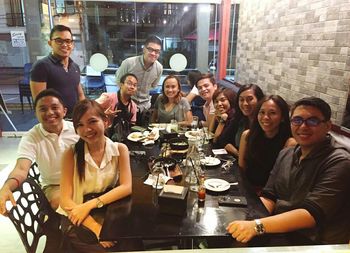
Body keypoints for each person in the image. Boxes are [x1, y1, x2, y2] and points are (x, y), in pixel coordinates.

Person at [227, 97, 350, 244]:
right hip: (280, 231)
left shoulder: (339, 161)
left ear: (328, 126)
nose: (303, 126)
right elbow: (269, 195)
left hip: (314, 242)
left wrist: (257, 226)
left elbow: (312, 214)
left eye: (312, 121)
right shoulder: (286, 153)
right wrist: (248, 217)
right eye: (297, 120)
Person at [58, 99, 132, 251]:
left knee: (133, 242)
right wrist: (97, 228)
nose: (87, 130)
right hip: (77, 217)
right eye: (80, 125)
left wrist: (92, 204)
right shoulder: (71, 154)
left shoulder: (120, 149)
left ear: (105, 122)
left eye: (92, 121)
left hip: (105, 210)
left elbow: (126, 186)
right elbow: (65, 200)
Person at [0, 89, 79, 214]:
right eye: (43, 109)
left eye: (54, 107)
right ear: (36, 113)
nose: (49, 112)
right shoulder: (31, 137)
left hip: (83, 180)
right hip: (55, 186)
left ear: (64, 111)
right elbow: (21, 168)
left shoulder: (77, 129)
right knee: (63, 202)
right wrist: (6, 187)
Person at [238, 95, 296, 192]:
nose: (265, 117)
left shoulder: (289, 143)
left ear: (282, 117)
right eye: (262, 112)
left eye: (272, 113)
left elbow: (282, 181)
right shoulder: (247, 135)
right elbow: (241, 169)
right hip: (246, 189)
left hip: (269, 195)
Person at [30, 25, 85, 117]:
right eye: (59, 41)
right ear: (50, 43)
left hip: (75, 121)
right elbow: (40, 103)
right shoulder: (41, 66)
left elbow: (80, 95)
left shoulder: (74, 67)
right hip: (55, 122)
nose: (64, 45)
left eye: (68, 41)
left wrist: (86, 113)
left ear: (72, 44)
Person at [115, 35, 163, 113]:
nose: (154, 53)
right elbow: (118, 82)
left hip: (145, 107)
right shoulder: (129, 63)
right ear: (144, 49)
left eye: (157, 51)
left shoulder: (159, 68)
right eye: (150, 49)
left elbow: (153, 86)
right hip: (127, 106)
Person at [224, 84, 264, 156]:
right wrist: (237, 153)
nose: (245, 103)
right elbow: (223, 140)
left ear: (260, 100)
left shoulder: (264, 124)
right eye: (241, 100)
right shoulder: (239, 119)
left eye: (250, 99)